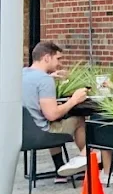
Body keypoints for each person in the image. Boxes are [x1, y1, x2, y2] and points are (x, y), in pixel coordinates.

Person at [22, 41, 90, 177]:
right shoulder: (44, 80)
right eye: (58, 59)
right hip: (41, 134)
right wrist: (74, 100)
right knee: (79, 120)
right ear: (47, 57)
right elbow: (52, 114)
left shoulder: (22, 74)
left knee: (53, 122)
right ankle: (86, 162)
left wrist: (49, 77)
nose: (60, 63)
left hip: (22, 134)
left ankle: (59, 168)